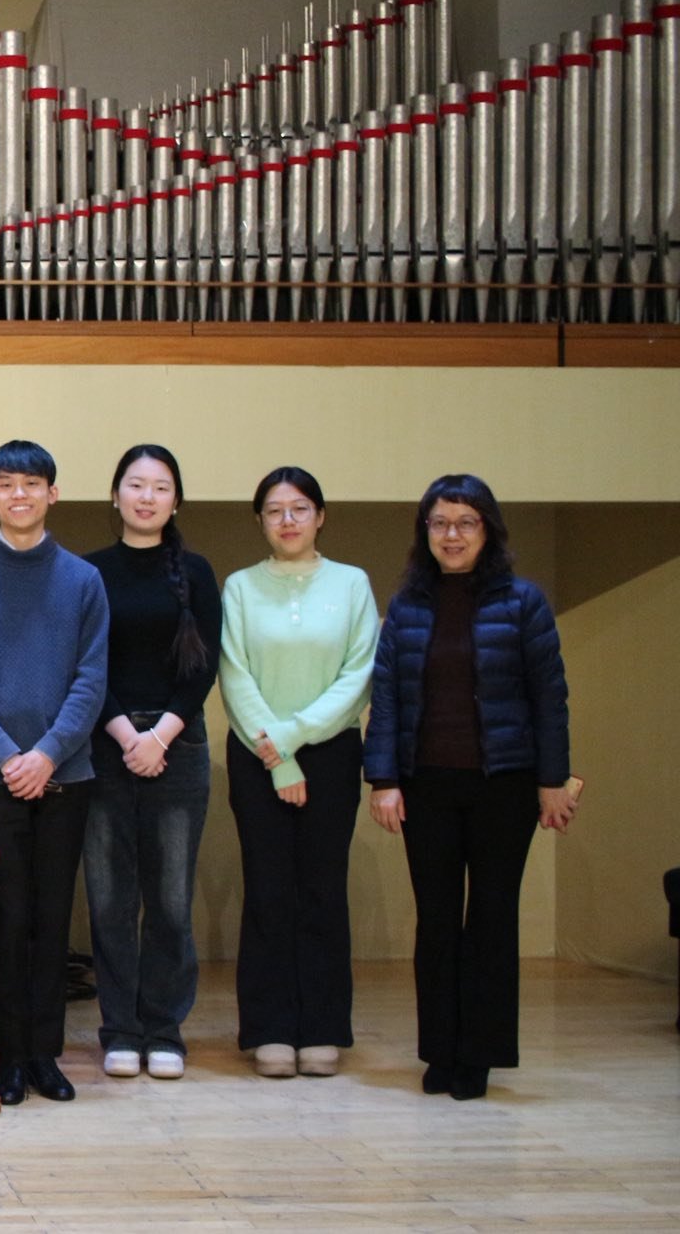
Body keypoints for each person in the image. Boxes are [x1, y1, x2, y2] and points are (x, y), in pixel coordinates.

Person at [364, 474, 575, 1102]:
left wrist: (552, 781)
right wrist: (382, 780)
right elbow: (388, 697)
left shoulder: (524, 602)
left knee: (491, 918)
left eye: (465, 523)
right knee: (435, 921)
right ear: (424, 532)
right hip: (425, 785)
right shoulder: (407, 605)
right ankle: (440, 1051)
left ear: (488, 530)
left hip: (503, 787)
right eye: (439, 523)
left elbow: (550, 698)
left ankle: (479, 1055)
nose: (451, 535)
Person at [0, 439, 109, 1107]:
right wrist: (11, 757)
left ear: (52, 495)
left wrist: (48, 754)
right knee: (8, 917)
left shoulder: (83, 581)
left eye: (32, 484)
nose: (19, 495)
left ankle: (46, 1054)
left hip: (67, 773)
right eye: (6, 485)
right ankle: (8, 1056)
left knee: (51, 915)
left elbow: (91, 679)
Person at [217, 466, 377, 1079]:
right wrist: (276, 755)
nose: (287, 521)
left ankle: (322, 1027)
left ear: (320, 516)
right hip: (256, 756)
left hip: (332, 753)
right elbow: (235, 676)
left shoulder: (352, 584)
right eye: (275, 511)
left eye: (299, 509)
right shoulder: (239, 587)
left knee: (321, 888)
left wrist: (293, 738)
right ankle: (270, 1029)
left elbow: (358, 675)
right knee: (268, 889)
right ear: (260, 520)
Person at [82, 444, 221, 1083]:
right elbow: (82, 667)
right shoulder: (88, 573)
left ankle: (164, 1029)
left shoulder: (195, 571)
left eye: (160, 487)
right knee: (110, 899)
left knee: (168, 900)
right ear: (115, 496)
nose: (146, 497)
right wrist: (123, 733)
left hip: (178, 746)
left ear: (176, 501)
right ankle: (120, 1030)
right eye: (134, 485)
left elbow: (203, 667)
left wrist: (159, 737)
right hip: (104, 745)